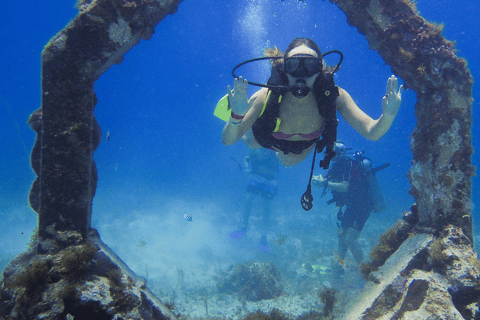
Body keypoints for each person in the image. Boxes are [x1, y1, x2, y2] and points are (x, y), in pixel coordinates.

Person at [221, 37, 403, 168]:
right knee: (247, 141)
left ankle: (241, 114)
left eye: (309, 66)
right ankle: (237, 110)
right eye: (293, 66)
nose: (301, 75)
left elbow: (372, 132)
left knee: (287, 162)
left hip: (301, 149)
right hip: (265, 137)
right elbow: (228, 141)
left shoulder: (335, 95)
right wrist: (237, 115)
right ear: (284, 68)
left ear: (320, 68)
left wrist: (388, 116)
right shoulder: (266, 95)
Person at [312, 142, 387, 276]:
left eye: (331, 153)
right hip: (352, 205)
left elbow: (345, 186)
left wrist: (325, 183)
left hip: (364, 205)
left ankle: (366, 272)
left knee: (350, 239)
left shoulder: (349, 164)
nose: (329, 156)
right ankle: (338, 268)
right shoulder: (336, 166)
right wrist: (317, 179)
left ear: (338, 154)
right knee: (342, 235)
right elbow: (325, 178)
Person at [230, 148, 279, 252]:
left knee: (266, 208)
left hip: (270, 180)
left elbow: (285, 158)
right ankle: (243, 228)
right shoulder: (256, 142)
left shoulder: (276, 144)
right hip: (256, 176)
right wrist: (246, 162)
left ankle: (263, 237)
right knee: (248, 200)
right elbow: (248, 156)